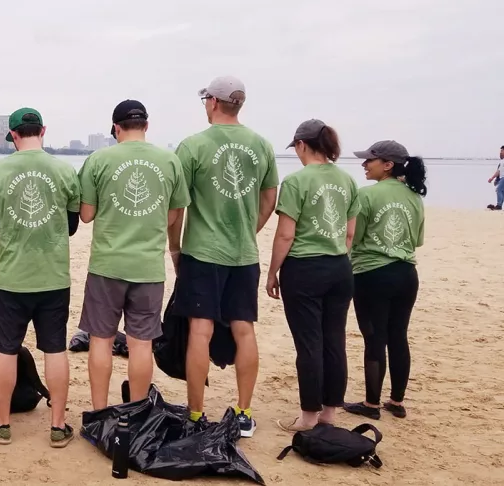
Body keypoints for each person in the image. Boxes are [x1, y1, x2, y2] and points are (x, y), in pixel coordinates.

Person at [168, 76, 279, 438]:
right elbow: (269, 199)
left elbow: (178, 205)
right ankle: (244, 413)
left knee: (200, 330)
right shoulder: (261, 145)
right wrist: (250, 230)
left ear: (214, 102)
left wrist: (175, 246)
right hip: (243, 253)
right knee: (243, 329)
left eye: (205, 100)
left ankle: (197, 414)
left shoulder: (193, 146)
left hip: (203, 252)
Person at [0, 108, 80, 447]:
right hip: (53, 277)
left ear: (14, 136)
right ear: (43, 131)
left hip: (10, 278)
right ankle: (57, 425)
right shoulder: (64, 170)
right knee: (55, 350)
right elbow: (72, 225)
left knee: (6, 350)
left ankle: (4, 424)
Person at [78, 100, 190, 409]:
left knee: (100, 339)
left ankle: (100, 411)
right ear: (147, 126)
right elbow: (172, 216)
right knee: (142, 344)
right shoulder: (169, 161)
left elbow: (86, 215)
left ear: (116, 128)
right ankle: (138, 412)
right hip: (148, 267)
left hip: (107, 265)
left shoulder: (99, 159)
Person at [265, 120, 359, 431]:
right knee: (334, 341)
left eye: (297, 149)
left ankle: (308, 416)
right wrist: (336, 258)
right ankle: (330, 413)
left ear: (302, 145)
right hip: (339, 268)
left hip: (304, 269)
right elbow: (349, 234)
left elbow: (285, 236)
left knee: (309, 344)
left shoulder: (296, 181)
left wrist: (272, 272)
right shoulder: (347, 180)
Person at [344, 140, 426, 420]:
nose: (364, 164)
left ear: (388, 165)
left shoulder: (366, 195)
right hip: (406, 274)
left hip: (372, 273)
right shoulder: (415, 197)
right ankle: (397, 401)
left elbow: (354, 237)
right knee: (399, 337)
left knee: (375, 339)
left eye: (370, 159)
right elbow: (417, 239)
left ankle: (371, 405)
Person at [486, 145, 504, 210]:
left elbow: (498, 172)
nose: (500, 152)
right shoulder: (502, 162)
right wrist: (495, 179)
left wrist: (492, 178)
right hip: (501, 178)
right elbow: (499, 171)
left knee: (498, 189)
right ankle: (500, 205)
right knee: (502, 191)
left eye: (502, 151)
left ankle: (499, 205)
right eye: (500, 151)